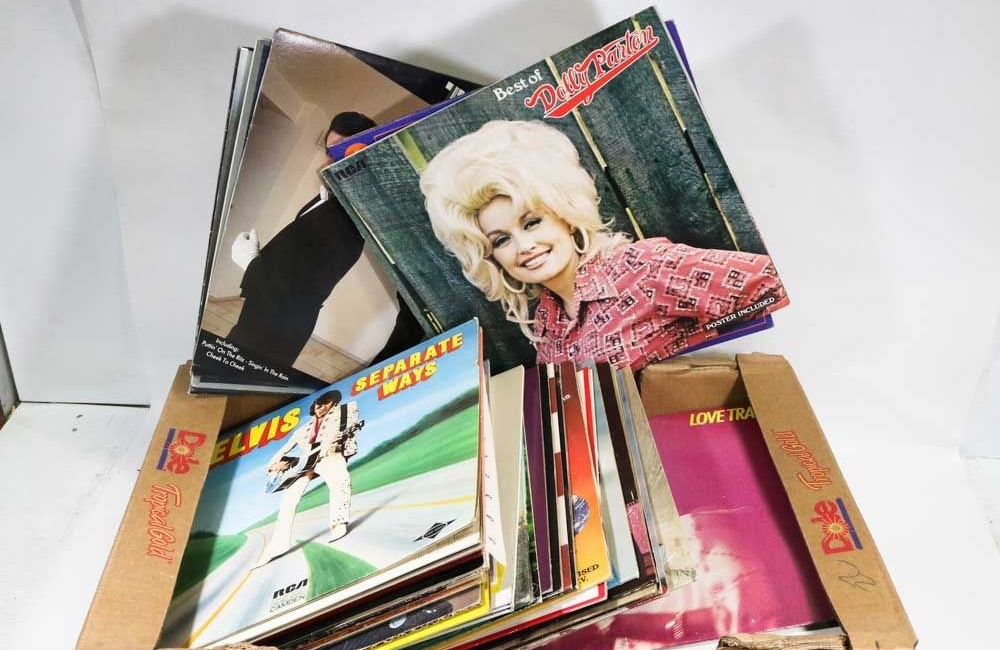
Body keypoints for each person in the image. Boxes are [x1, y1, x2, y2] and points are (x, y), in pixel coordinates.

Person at [419, 120, 787, 370]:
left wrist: (699, 346)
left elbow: (772, 285)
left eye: (532, 223)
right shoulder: (547, 321)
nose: (524, 245)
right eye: (501, 240)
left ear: (565, 215)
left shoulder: (644, 268)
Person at [227, 112, 422, 369]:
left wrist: (250, 263)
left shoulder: (350, 219)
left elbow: (304, 294)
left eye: (339, 150)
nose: (327, 160)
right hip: (262, 313)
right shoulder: (328, 199)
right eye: (328, 151)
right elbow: (301, 258)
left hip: (279, 327)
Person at [255, 390, 362, 567]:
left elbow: (352, 426)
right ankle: (277, 546)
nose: (322, 407)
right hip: (305, 464)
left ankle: (338, 524)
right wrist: (273, 465)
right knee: (288, 501)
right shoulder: (302, 430)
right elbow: (284, 448)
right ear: (314, 406)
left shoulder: (342, 414)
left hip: (329, 456)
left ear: (333, 404)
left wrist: (345, 436)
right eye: (319, 403)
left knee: (340, 482)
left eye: (327, 403)